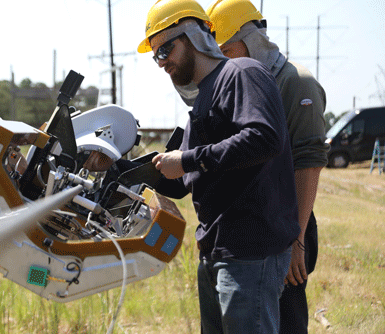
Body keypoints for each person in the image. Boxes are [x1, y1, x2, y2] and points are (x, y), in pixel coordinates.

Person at [137, 0, 300, 333]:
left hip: (250, 253)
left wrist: (185, 160)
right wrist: (118, 165)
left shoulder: (243, 73)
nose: (162, 63)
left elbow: (265, 138)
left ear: (195, 35)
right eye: (156, 56)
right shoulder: (202, 99)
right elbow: (180, 181)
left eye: (165, 49)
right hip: (215, 253)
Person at [206, 1, 330, 332]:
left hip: (289, 225)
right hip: (253, 227)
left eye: (229, 50)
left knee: (286, 319)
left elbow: (309, 163)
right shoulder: (241, 84)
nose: (225, 62)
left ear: (253, 39)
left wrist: (297, 241)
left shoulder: (295, 82)